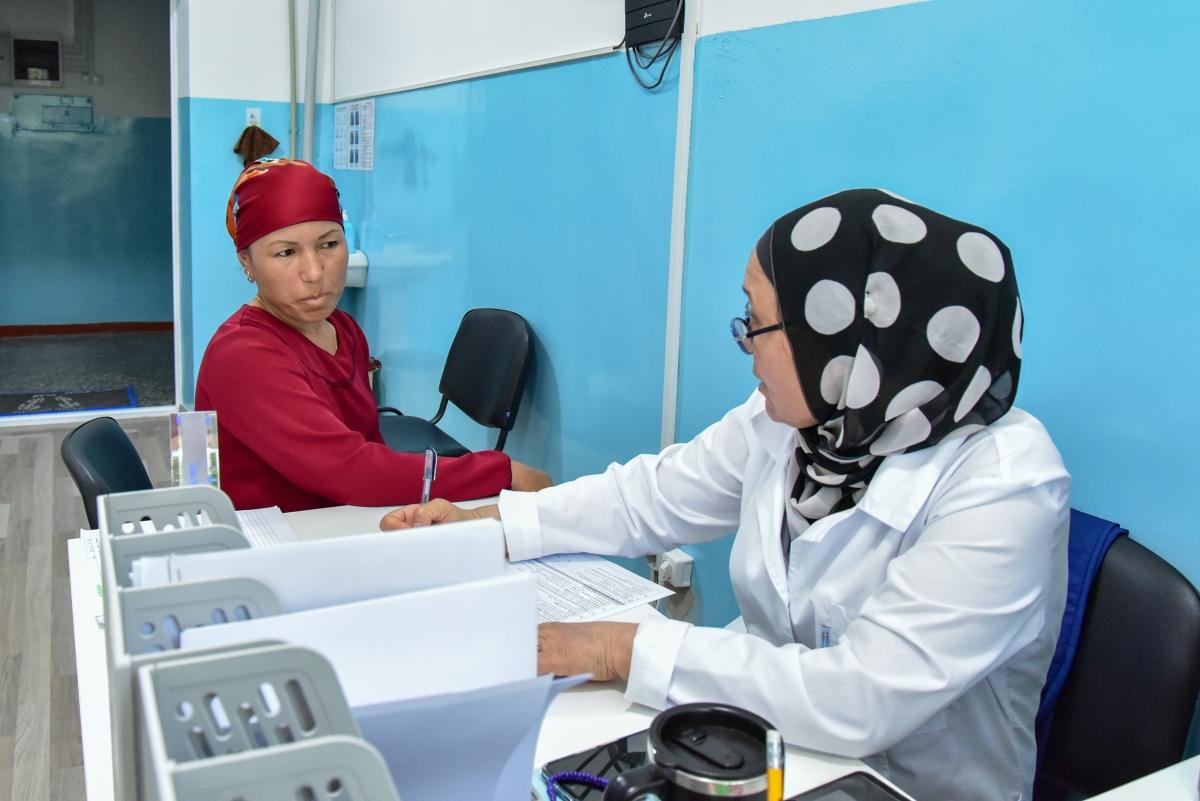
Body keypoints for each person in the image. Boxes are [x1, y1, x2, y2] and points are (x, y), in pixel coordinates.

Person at [380, 189, 1070, 801]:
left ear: (850, 340)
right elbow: (646, 499)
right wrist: (493, 523)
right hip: (761, 751)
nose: (745, 344)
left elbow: (862, 697)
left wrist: (617, 648)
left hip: (900, 785)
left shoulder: (1006, 482)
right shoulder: (806, 425)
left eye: (758, 322)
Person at [195, 158, 551, 511]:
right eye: (286, 253)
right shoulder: (242, 352)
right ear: (246, 262)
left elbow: (368, 449)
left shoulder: (345, 331)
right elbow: (350, 470)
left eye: (329, 244)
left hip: (342, 520)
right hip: (269, 543)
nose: (315, 272)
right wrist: (502, 472)